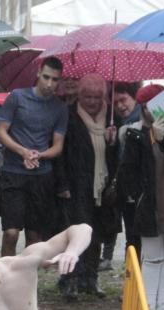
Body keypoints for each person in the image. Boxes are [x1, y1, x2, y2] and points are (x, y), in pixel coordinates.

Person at [119, 84, 164, 310]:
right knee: (152, 256)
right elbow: (128, 170)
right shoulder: (135, 134)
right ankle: (146, 305)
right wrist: (151, 139)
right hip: (150, 203)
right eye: (148, 107)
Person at [0, 56, 69, 256]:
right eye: (46, 77)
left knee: (34, 236)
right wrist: (22, 151)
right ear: (38, 73)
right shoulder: (17, 97)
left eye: (55, 80)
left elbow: (58, 146)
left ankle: (28, 283)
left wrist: (40, 155)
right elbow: (0, 131)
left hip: (41, 175)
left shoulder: (60, 108)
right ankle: (5, 277)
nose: (49, 83)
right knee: (11, 232)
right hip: (13, 171)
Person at [54, 73, 117, 298]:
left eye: (96, 97)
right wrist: (62, 184)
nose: (91, 101)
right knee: (76, 235)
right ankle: (69, 279)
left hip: (101, 187)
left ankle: (91, 278)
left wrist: (112, 142)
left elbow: (116, 156)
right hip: (76, 184)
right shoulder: (69, 116)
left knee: (97, 233)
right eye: (87, 96)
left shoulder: (111, 119)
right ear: (80, 96)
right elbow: (60, 154)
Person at [108, 81, 143, 265]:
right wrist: (113, 142)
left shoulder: (142, 120)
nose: (120, 106)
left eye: (123, 100)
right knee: (131, 235)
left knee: (137, 236)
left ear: (134, 97)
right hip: (126, 189)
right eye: (115, 103)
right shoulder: (119, 123)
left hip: (140, 189)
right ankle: (132, 277)